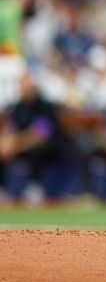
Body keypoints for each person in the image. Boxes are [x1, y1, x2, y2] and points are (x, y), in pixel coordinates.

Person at [0, 72, 69, 205]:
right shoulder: (18, 107)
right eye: (21, 86)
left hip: (50, 147)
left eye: (26, 86)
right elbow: (10, 128)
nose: (23, 90)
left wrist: (15, 146)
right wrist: (5, 143)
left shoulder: (44, 106)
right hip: (20, 146)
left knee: (36, 150)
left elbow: (40, 134)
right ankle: (3, 188)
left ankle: (35, 187)